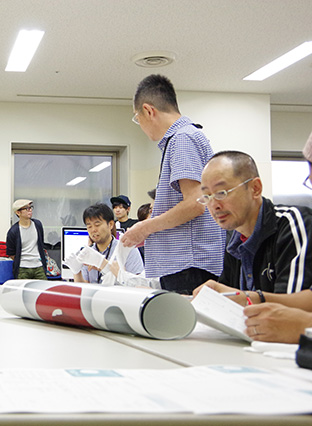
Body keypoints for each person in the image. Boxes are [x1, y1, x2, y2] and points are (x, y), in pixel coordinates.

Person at [194, 135, 312, 343]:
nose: (214, 205)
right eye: (207, 197)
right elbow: (227, 307)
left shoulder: (292, 223)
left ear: (255, 189)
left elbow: (286, 315)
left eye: (221, 193)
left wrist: (245, 298)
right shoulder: (234, 237)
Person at [120, 74, 225, 294]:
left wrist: (144, 228)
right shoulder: (185, 137)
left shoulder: (182, 138)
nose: (140, 124)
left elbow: (196, 203)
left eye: (137, 118)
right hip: (187, 264)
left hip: (189, 265)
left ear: (148, 111)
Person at [74, 203, 143, 284]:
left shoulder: (128, 250)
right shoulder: (88, 252)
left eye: (97, 225)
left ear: (110, 224)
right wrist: (76, 272)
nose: (93, 230)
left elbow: (138, 286)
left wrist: (106, 267)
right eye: (89, 226)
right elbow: (84, 288)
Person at [5, 199, 48, 279]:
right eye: (26, 208)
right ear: (18, 212)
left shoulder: (37, 225)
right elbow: (11, 253)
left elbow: (41, 244)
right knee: (23, 291)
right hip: (22, 268)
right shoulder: (13, 231)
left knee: (42, 289)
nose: (30, 210)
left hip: (39, 266)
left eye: (31, 207)